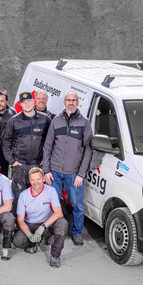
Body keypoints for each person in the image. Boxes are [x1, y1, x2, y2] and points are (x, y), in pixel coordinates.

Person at [42, 91, 93, 247]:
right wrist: (46, 170)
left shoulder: (84, 123)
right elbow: (48, 146)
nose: (71, 103)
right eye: (68, 100)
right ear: (64, 102)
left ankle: (77, 233)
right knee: (54, 204)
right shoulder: (56, 121)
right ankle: (56, 233)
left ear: (77, 102)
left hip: (74, 174)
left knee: (77, 205)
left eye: (74, 100)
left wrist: (81, 174)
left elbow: (88, 149)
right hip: (55, 173)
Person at [3, 91, 52, 205]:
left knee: (37, 195)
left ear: (33, 101)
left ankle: (35, 216)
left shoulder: (45, 119)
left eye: (29, 101)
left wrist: (45, 161)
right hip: (20, 165)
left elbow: (51, 141)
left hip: (37, 165)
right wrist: (12, 161)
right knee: (19, 195)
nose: (27, 104)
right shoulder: (14, 121)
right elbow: (6, 141)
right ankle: (17, 216)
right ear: (20, 104)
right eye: (23, 102)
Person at [13, 167, 68, 267]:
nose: (36, 182)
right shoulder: (24, 195)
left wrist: (42, 227)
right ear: (29, 181)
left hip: (47, 224)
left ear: (43, 179)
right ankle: (34, 242)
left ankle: (55, 256)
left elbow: (59, 213)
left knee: (62, 222)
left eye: (38, 179)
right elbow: (20, 220)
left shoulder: (51, 191)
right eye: (33, 180)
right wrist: (29, 235)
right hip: (30, 224)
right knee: (17, 241)